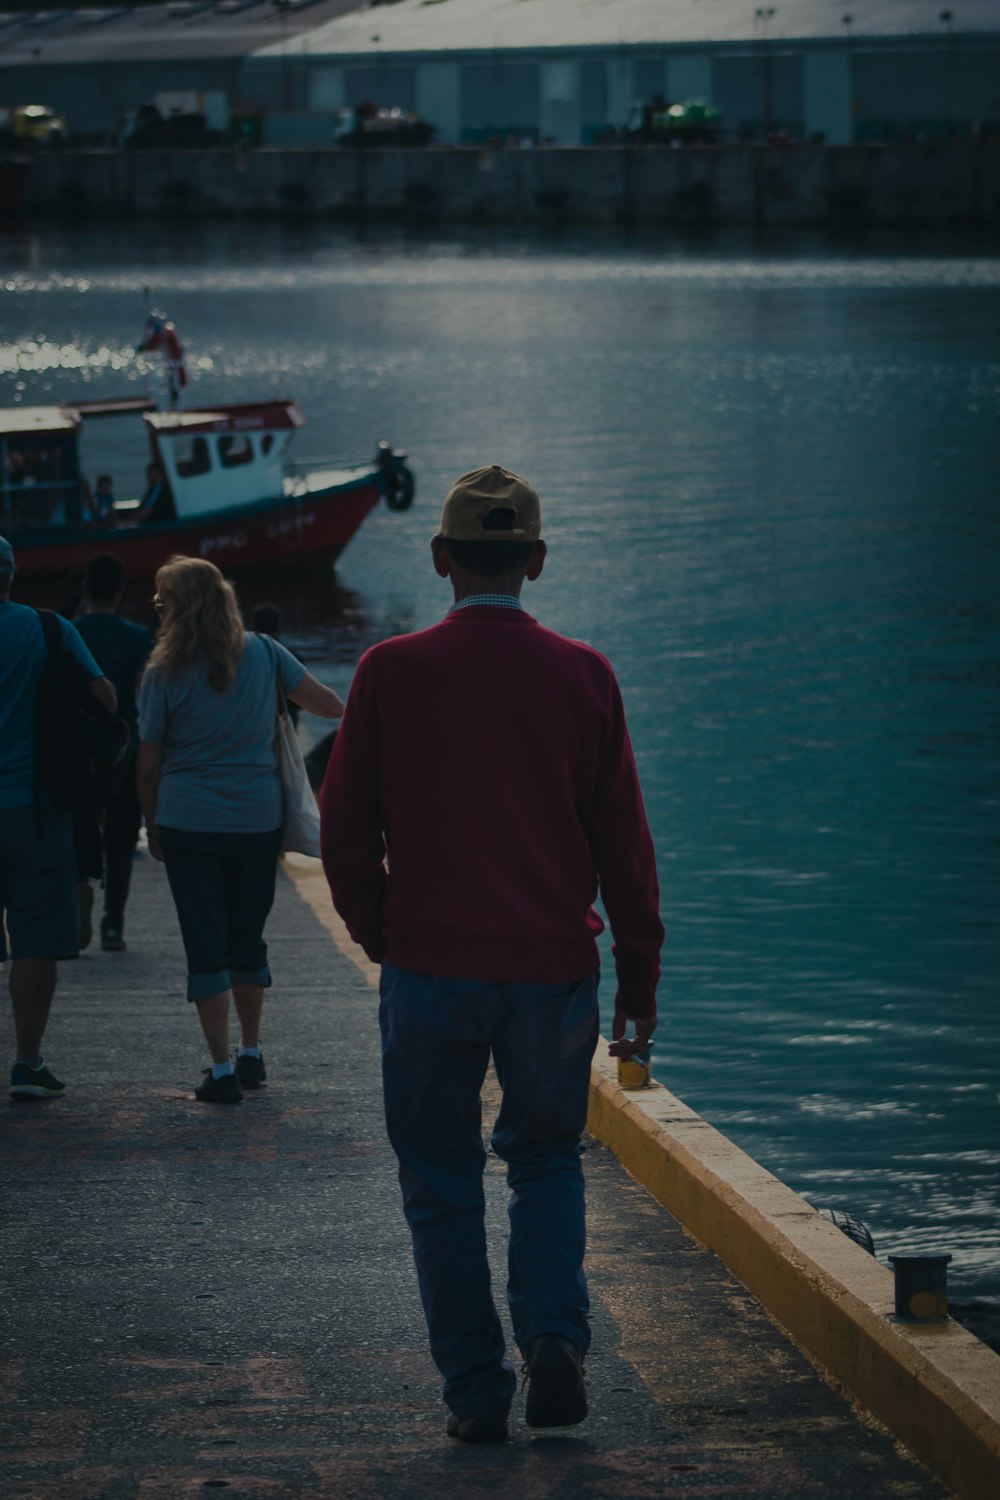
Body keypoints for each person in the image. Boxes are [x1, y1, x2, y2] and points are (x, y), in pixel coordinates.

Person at [320, 465, 663, 1444]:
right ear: (537, 563)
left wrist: (383, 935)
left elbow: (345, 835)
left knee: (440, 1177)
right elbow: (624, 850)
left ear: (439, 558)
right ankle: (553, 1334)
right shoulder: (585, 674)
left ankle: (475, 1390)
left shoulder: (389, 671)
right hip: (553, 971)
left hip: (431, 969)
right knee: (547, 1160)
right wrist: (638, 981)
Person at [137, 555, 343, 1103]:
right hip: (256, 822)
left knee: (205, 944)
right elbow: (330, 706)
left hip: (187, 823)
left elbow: (149, 762)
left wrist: (151, 825)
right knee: (246, 938)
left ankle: (222, 1069)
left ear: (178, 608)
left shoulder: (161, 673)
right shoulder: (266, 652)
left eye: (161, 602)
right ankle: (252, 1052)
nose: (156, 611)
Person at [0, 535, 117, 1099]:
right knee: (35, 940)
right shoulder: (48, 628)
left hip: (31, 807)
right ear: (11, 575)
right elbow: (106, 701)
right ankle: (27, 1062)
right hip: (35, 810)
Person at [73, 554, 154, 953]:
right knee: (122, 841)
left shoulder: (66, 632)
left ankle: (78, 896)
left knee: (76, 829)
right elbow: (148, 694)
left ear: (84, 589)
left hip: (75, 749)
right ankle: (113, 926)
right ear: (120, 591)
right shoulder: (139, 637)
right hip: (125, 748)